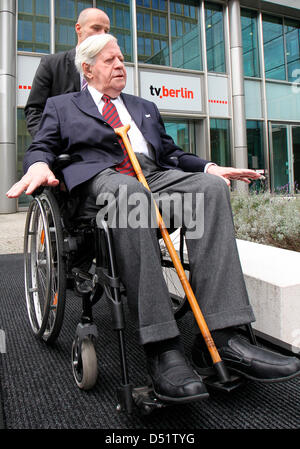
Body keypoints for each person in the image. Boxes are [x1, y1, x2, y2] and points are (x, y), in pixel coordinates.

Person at [7, 34, 300, 404]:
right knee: (131, 196)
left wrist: (211, 167)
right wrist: (36, 166)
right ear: (87, 68)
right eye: (110, 60)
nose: (119, 65)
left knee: (209, 190)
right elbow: (42, 146)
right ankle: (163, 349)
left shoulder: (143, 106)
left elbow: (171, 154)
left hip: (154, 177)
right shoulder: (64, 106)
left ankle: (226, 337)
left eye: (121, 59)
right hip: (103, 180)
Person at [24, 7, 110, 138]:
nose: (102, 35)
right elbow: (35, 111)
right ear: (78, 28)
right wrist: (48, 145)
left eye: (106, 31)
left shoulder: (110, 69)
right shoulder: (51, 65)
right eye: (96, 28)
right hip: (62, 151)